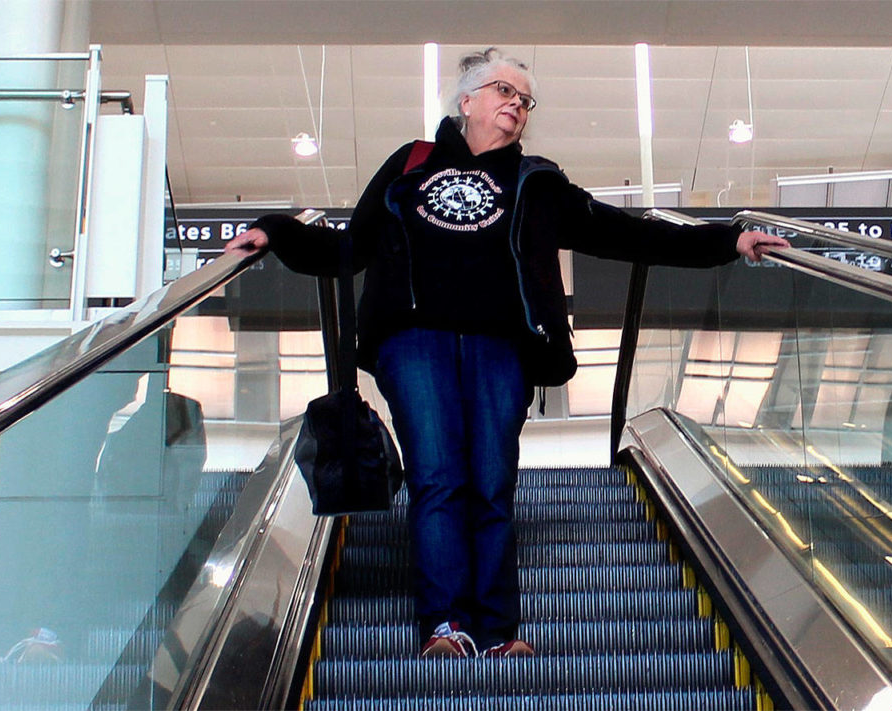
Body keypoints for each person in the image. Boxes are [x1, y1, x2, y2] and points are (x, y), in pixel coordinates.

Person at [226, 47, 789, 659]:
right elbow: (351, 248)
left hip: (504, 346)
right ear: (465, 101)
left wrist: (728, 239)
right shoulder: (410, 164)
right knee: (437, 475)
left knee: (492, 481)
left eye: (525, 100)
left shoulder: (538, 181)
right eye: (503, 91)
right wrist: (277, 231)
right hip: (414, 341)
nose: (516, 105)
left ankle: (497, 631)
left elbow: (626, 233)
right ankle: (444, 626)